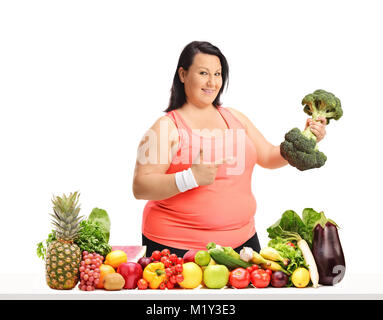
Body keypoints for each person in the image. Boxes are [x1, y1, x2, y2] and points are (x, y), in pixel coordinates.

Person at [132, 41, 326, 257]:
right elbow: (140, 187)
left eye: (217, 74)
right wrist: (191, 177)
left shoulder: (235, 117)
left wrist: (306, 139)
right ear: (183, 74)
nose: (212, 82)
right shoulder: (166, 126)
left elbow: (270, 157)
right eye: (203, 73)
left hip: (244, 241)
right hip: (177, 245)